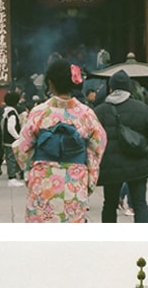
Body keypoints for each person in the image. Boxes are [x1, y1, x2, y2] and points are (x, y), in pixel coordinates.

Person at [13, 57, 107, 223]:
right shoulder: (86, 113)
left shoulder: (39, 112)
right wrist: (88, 177)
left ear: (50, 83)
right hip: (75, 180)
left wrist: (31, 171)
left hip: (43, 182)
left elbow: (22, 148)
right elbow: (98, 147)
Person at [94, 69, 148, 223]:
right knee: (140, 204)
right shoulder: (141, 108)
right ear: (129, 88)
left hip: (110, 166)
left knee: (109, 204)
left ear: (110, 88)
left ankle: (110, 242)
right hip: (138, 162)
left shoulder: (99, 111)